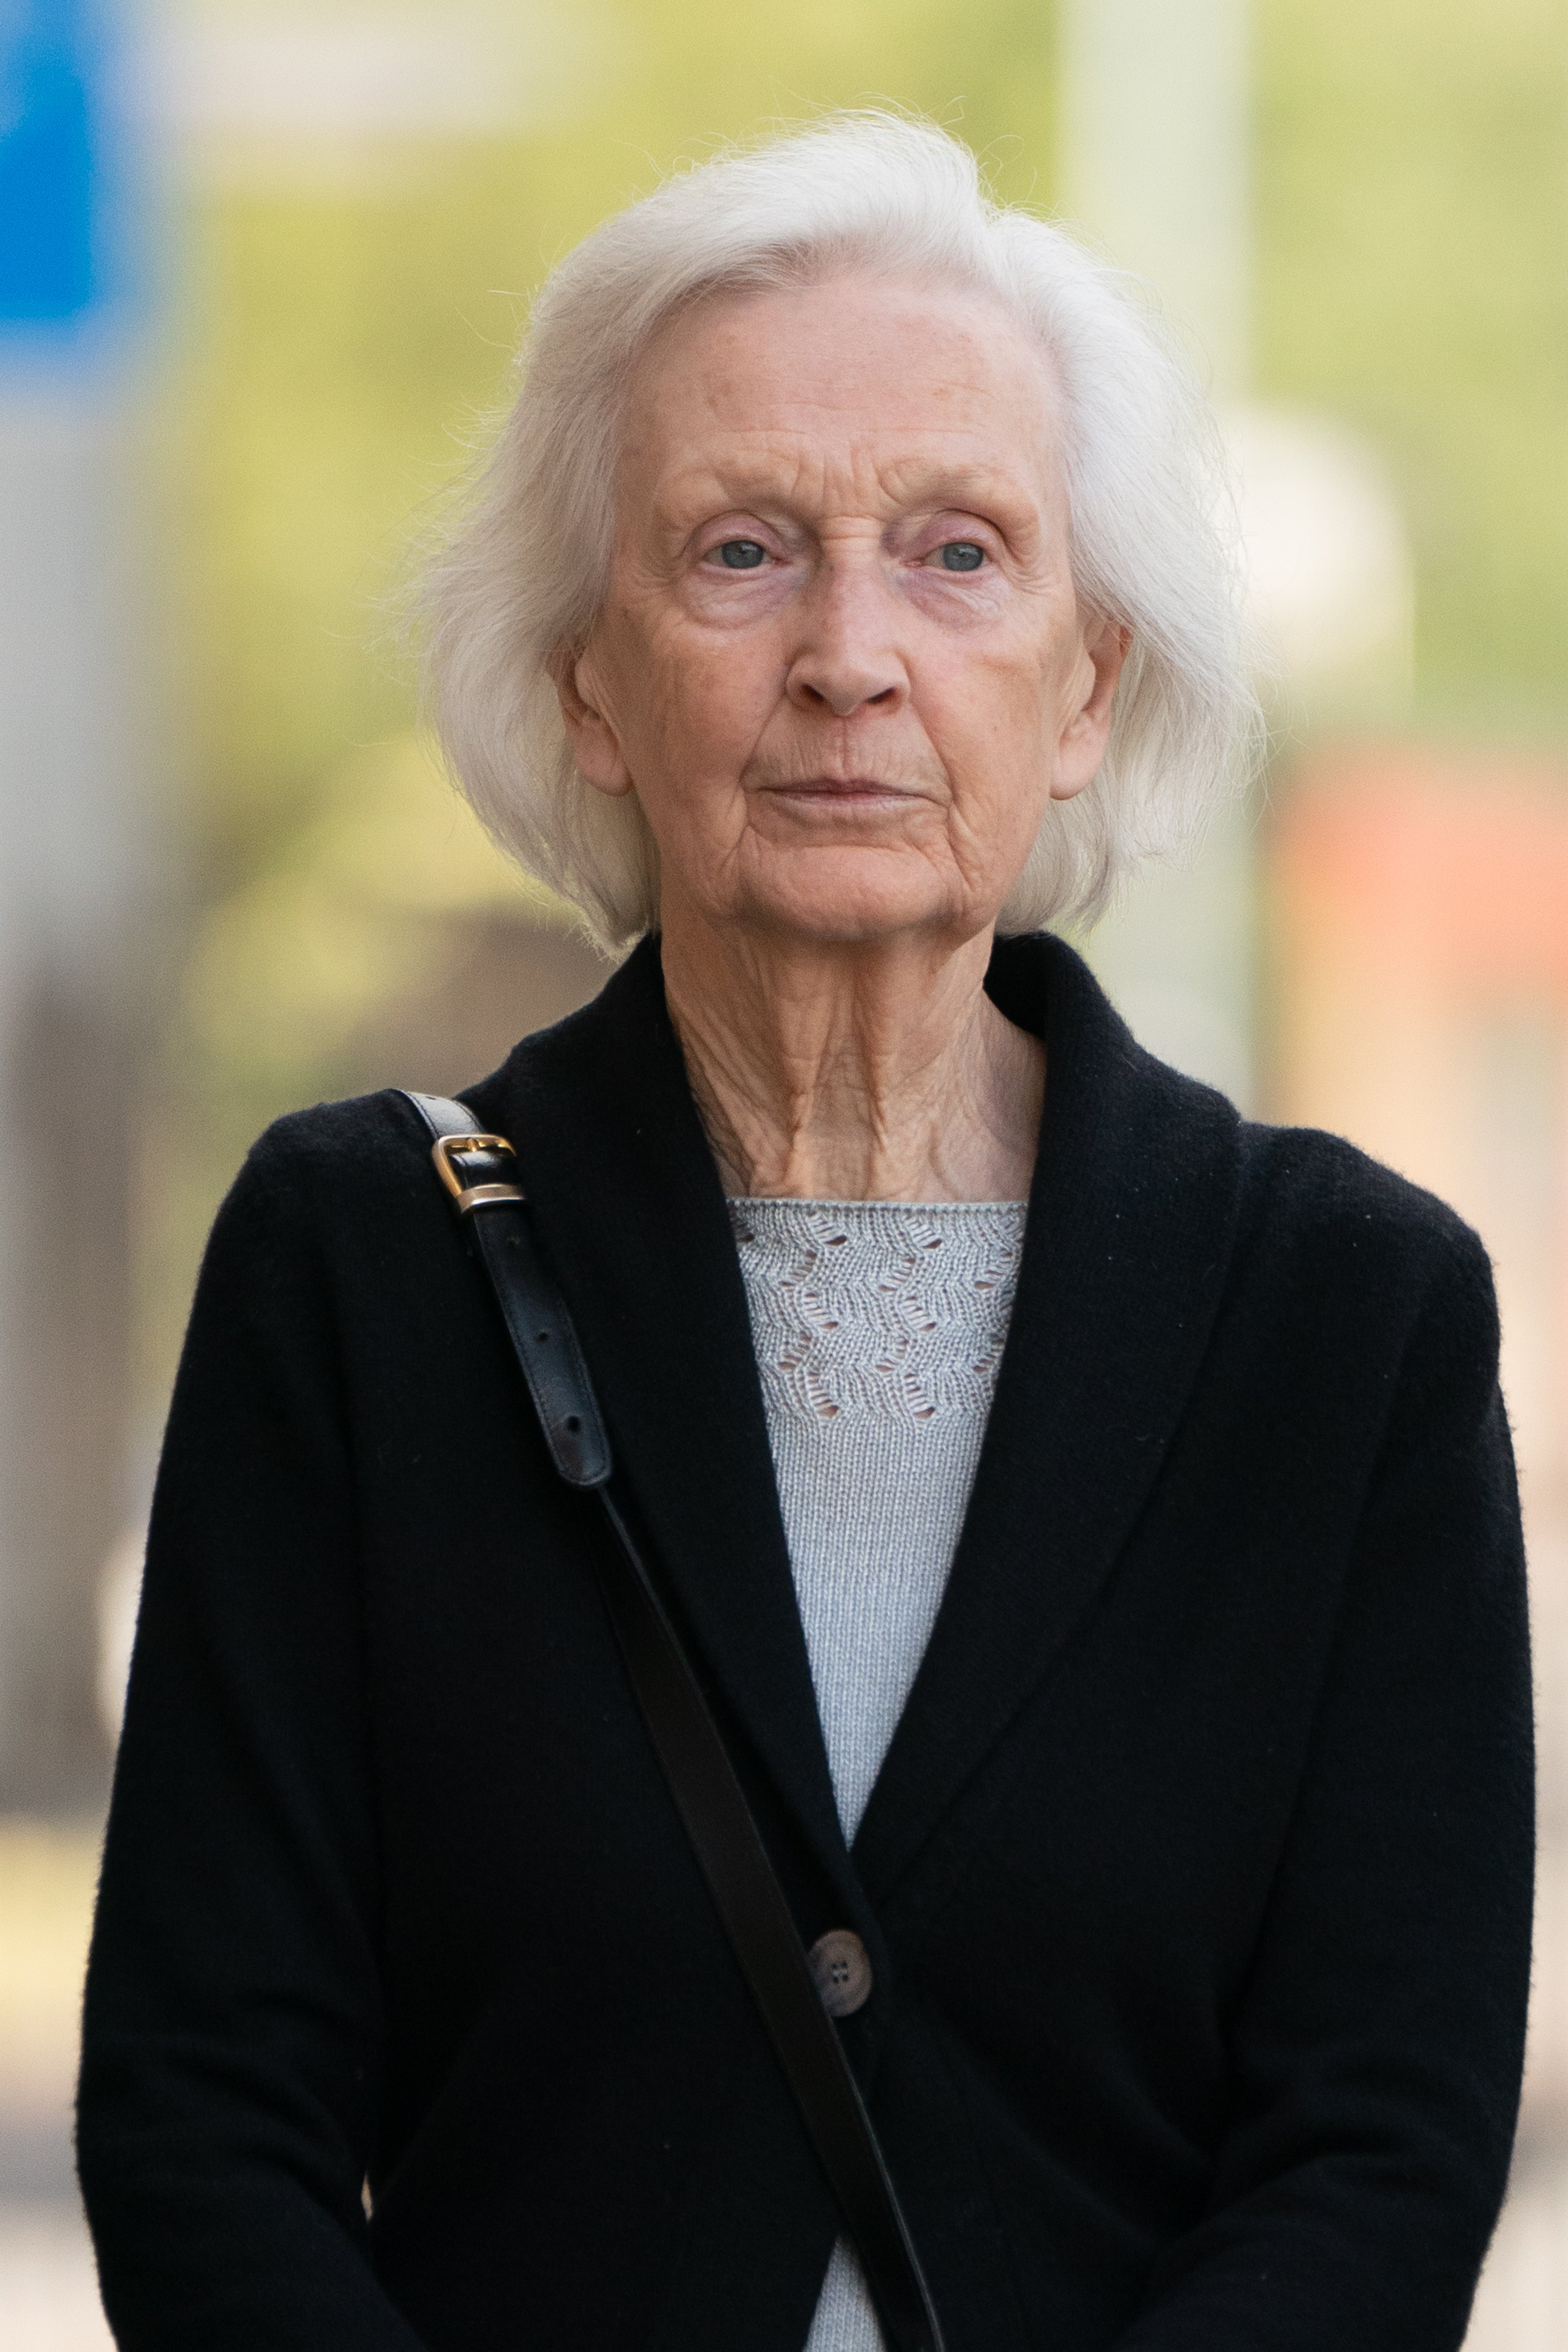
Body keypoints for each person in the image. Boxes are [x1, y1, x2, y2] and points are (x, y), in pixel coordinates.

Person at [78, 115, 1532, 2352]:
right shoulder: (357, 1267)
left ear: (1087, 688)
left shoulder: (1348, 1319)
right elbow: (207, 2114)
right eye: (743, 549)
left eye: (960, 553)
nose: (853, 652)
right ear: (589, 679)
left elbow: (1382, 2140)